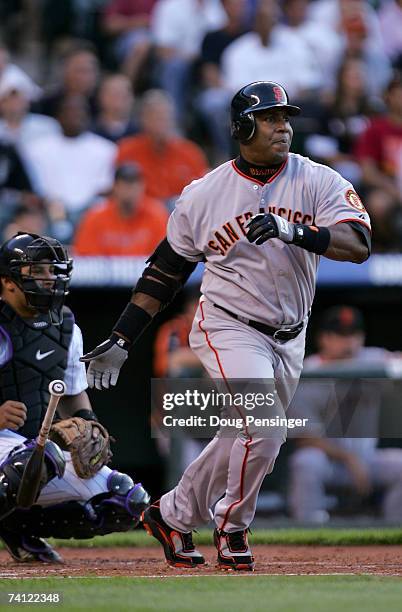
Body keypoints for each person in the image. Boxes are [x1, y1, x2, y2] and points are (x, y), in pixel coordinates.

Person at [81, 80, 371, 571]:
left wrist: (293, 229)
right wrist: (124, 336)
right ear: (241, 127)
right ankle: (232, 526)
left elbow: (358, 244)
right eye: (271, 117)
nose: (283, 127)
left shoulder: (317, 179)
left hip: (290, 332)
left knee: (244, 434)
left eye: (286, 117)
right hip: (228, 324)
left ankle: (171, 514)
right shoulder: (205, 193)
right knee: (265, 427)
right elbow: (165, 271)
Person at [0, 232, 149, 563]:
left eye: (53, 271)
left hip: (29, 450)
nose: (49, 279)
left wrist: (90, 426)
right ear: (8, 281)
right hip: (9, 447)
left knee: (124, 500)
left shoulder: (65, 327)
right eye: (38, 271)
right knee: (40, 459)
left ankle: (13, 527)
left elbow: (73, 393)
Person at [288, 306, 402, 524]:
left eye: (354, 335)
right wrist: (349, 459)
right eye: (340, 335)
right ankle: (308, 532)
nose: (348, 343)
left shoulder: (373, 359)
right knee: (305, 462)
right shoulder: (308, 372)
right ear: (324, 339)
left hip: (368, 459)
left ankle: (394, 531)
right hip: (329, 462)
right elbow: (304, 438)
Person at [116, 89, 208, 204]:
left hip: (181, 214)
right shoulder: (127, 151)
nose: (161, 123)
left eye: (165, 117)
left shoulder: (190, 152)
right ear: (143, 119)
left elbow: (204, 192)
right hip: (143, 215)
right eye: (155, 117)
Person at [73, 163, 168, 256]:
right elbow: (86, 257)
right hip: (104, 271)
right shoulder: (96, 216)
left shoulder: (157, 214)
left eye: (134, 185)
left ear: (142, 186)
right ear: (115, 187)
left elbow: (163, 257)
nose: (130, 191)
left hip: (146, 271)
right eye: (125, 185)